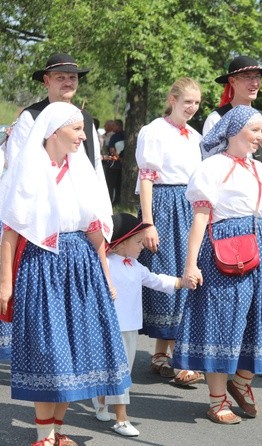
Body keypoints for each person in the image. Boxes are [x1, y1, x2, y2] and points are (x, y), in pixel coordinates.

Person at [0, 102, 130, 446]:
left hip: (81, 266)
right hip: (42, 266)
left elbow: (94, 230)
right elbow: (11, 232)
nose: (82, 136)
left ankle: (58, 430)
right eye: (75, 130)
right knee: (50, 351)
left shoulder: (80, 171)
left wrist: (106, 274)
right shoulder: (29, 170)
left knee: (74, 350)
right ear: (54, 132)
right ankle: (44, 434)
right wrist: (4, 283)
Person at [173, 105, 262, 424]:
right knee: (222, 323)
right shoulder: (212, 167)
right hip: (225, 247)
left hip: (261, 245)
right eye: (254, 131)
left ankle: (241, 382)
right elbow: (199, 217)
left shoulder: (257, 169)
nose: (261, 136)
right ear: (233, 132)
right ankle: (216, 400)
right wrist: (191, 264)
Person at [202, 55, 262, 377]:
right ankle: (220, 364)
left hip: (258, 216)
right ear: (231, 82)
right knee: (227, 300)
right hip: (224, 219)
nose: (254, 83)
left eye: (258, 77)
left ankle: (260, 359)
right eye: (247, 77)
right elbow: (209, 165)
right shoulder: (216, 118)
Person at [91, 213, 195, 437]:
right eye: (138, 242)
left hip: (129, 328)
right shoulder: (105, 265)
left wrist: (181, 282)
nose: (142, 246)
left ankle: (100, 400)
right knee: (119, 373)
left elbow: (156, 280)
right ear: (120, 243)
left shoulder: (136, 266)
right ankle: (121, 419)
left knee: (122, 371)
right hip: (109, 328)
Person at [135, 77, 205, 387]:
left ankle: (163, 354)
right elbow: (147, 178)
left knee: (186, 272)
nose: (192, 107)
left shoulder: (195, 136)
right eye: (187, 101)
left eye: (197, 102)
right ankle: (177, 360)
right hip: (162, 204)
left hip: (188, 206)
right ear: (172, 99)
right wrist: (148, 222)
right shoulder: (153, 131)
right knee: (166, 273)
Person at [5, 53, 106, 185]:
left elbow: (96, 163)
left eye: (72, 77)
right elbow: (16, 162)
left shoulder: (85, 118)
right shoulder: (31, 116)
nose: (68, 82)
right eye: (60, 78)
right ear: (47, 81)